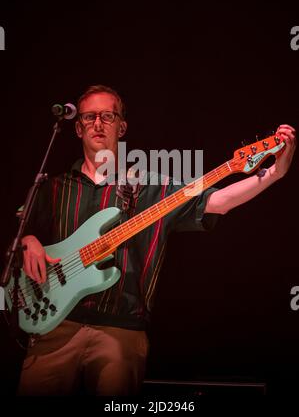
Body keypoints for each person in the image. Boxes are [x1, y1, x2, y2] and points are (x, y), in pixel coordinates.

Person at [17, 84, 296, 395]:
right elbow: (21, 231)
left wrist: (273, 174)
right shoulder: (53, 188)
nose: (98, 124)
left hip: (120, 331)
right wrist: (28, 240)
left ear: (122, 127)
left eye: (108, 116)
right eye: (89, 117)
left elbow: (219, 202)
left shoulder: (151, 187)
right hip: (53, 326)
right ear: (77, 127)